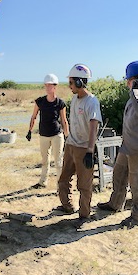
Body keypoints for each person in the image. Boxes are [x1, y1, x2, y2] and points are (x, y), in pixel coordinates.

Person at [97, 61, 138, 228]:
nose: (127, 83)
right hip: (128, 146)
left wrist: (134, 90)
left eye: (130, 80)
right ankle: (115, 204)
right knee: (119, 175)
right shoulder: (137, 94)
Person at [57, 64, 102, 224]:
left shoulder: (92, 102)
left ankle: (84, 215)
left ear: (79, 82)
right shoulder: (75, 99)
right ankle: (67, 206)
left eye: (70, 83)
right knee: (63, 179)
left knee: (84, 185)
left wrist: (90, 150)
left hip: (84, 148)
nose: (69, 86)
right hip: (71, 145)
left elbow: (93, 126)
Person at [26, 73, 69, 189]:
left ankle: (60, 186)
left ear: (55, 87)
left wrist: (67, 136)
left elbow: (64, 120)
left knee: (58, 161)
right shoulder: (39, 101)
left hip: (57, 135)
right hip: (43, 135)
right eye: (46, 85)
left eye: (50, 85)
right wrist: (29, 131)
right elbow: (33, 116)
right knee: (45, 160)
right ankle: (42, 182)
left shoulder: (60, 103)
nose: (47, 88)